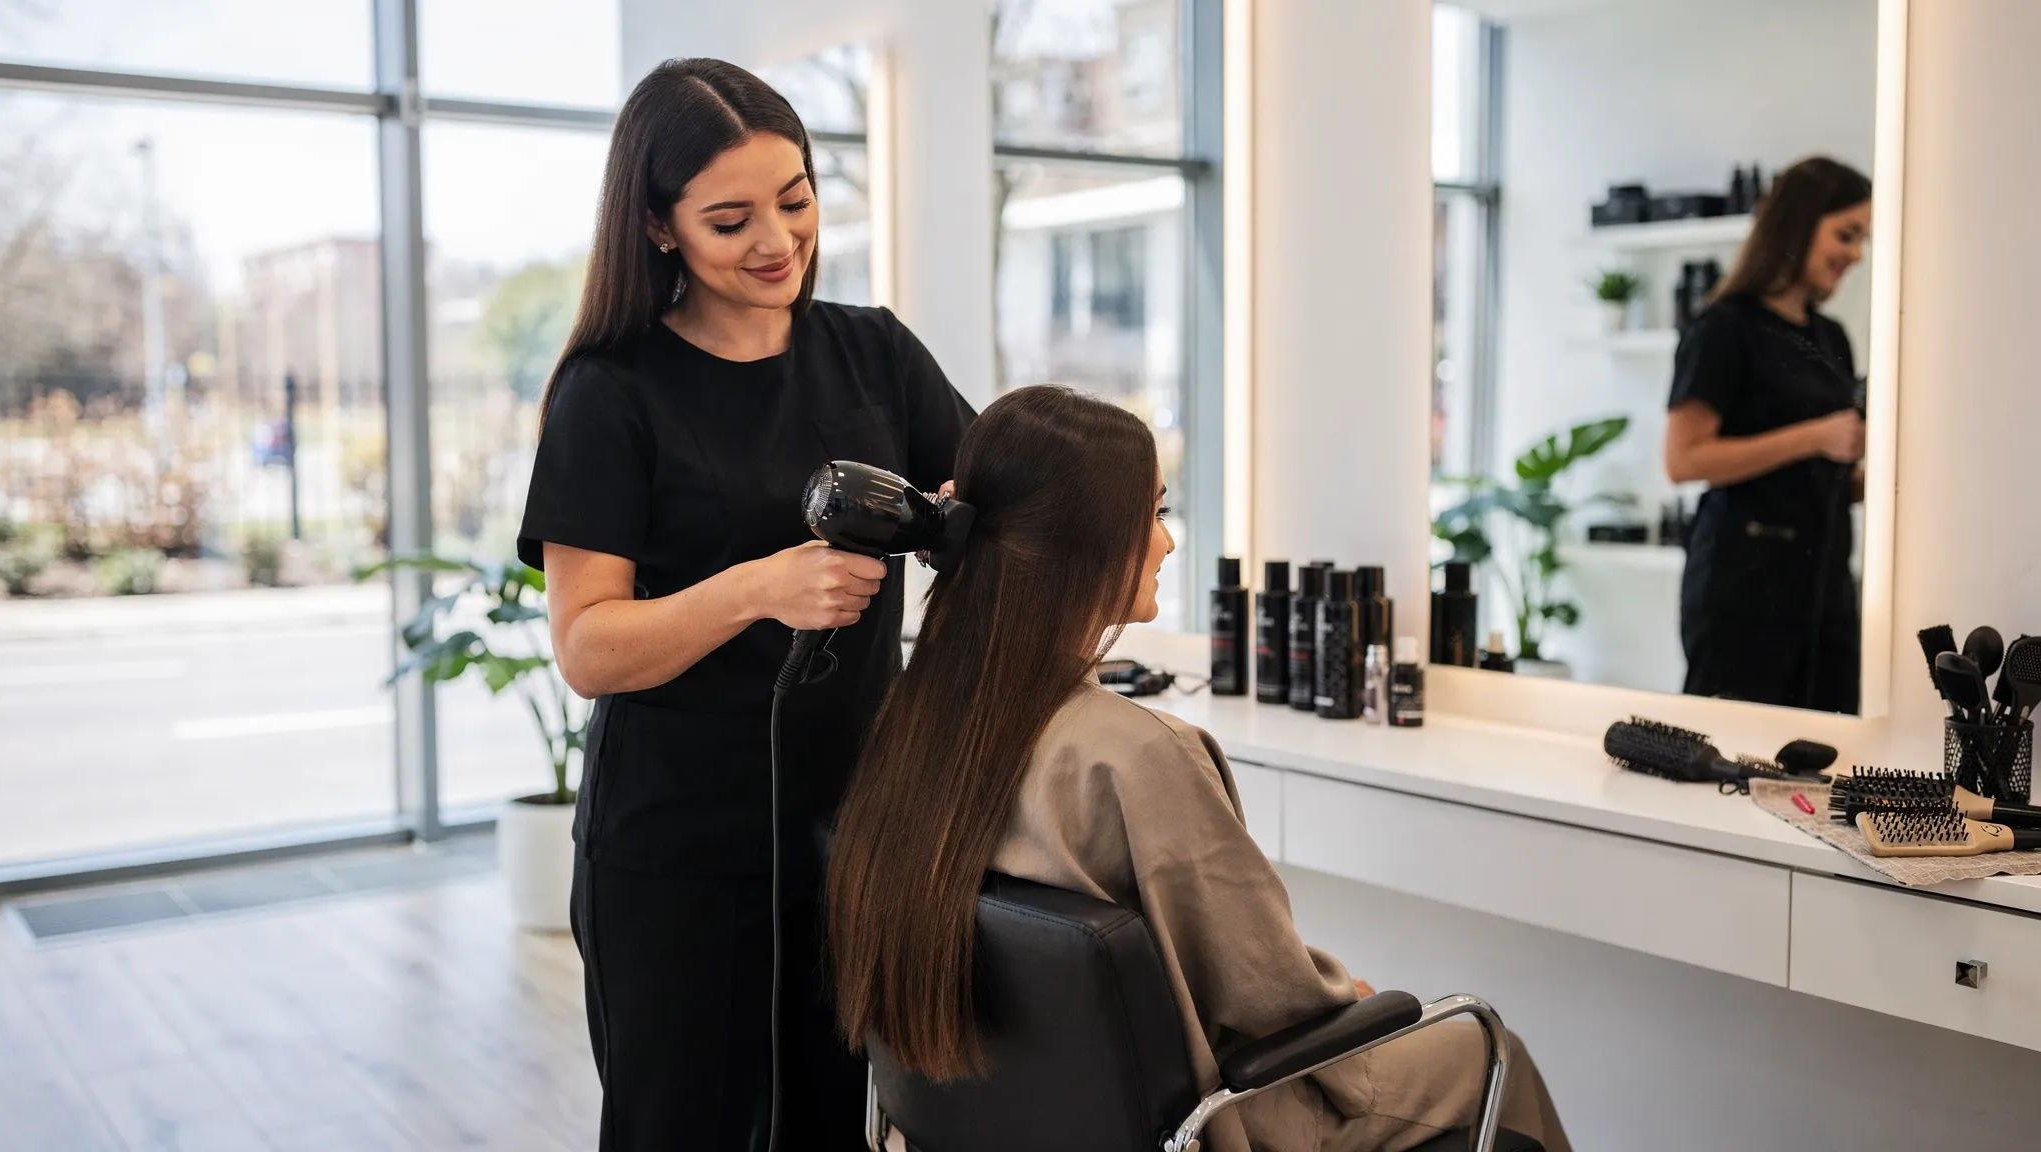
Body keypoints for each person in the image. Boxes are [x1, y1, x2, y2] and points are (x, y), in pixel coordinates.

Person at [826, 386, 1570, 1152]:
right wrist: (1340, 1000)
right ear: (1093, 539)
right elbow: (1270, 995)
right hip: (1210, 1124)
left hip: (999, 1119)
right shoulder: (1137, 755)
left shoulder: (912, 722)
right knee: (1490, 1048)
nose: (1167, 543)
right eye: (1153, 514)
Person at [517, 59, 975, 1151]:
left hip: (856, 834)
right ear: (659, 228)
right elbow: (587, 647)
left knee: (832, 1123)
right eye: (730, 219)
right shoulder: (609, 393)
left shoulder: (873, 354)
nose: (776, 240)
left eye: (797, 199)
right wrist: (759, 588)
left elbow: (983, 502)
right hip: (674, 854)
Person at [1664, 156, 1872, 713]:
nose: (1856, 254)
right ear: (1799, 223)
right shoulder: (1723, 330)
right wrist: (1815, 437)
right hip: (1743, 589)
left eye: (1863, 240)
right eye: (1846, 235)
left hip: (1824, 587)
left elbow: (1820, 475)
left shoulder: (1832, 338)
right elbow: (1684, 459)